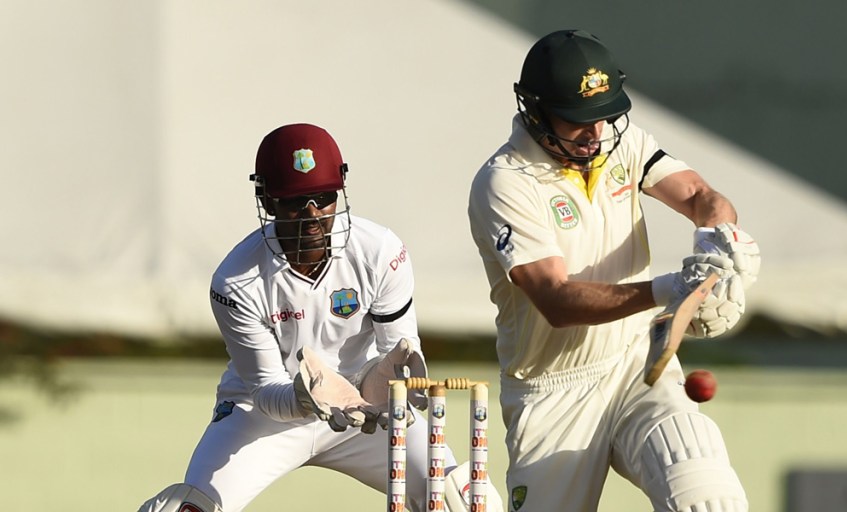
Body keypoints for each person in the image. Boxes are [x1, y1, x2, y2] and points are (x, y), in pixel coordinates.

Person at [468, 30, 761, 511]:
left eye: (605, 117)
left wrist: (717, 240)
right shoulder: (504, 182)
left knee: (706, 492)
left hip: (636, 363)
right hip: (552, 393)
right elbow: (556, 300)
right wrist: (672, 288)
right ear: (537, 110)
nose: (596, 132)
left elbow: (699, 196)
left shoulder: (621, 145)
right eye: (579, 120)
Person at [140, 123, 501, 512]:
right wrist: (305, 395)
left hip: (365, 412)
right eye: (295, 202)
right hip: (264, 418)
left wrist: (386, 378)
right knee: (183, 510)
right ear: (268, 201)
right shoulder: (236, 280)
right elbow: (265, 392)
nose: (311, 215)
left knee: (461, 501)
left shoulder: (379, 251)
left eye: (323, 198)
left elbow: (397, 347)